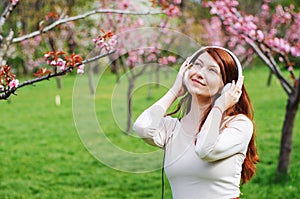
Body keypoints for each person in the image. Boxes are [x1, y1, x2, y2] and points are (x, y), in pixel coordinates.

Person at [133, 46, 259, 199]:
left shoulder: (238, 125)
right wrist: (175, 90)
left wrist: (219, 105)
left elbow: (206, 149)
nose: (199, 73)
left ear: (228, 86)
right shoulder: (172, 128)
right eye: (197, 65)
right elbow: (142, 127)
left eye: (212, 70)